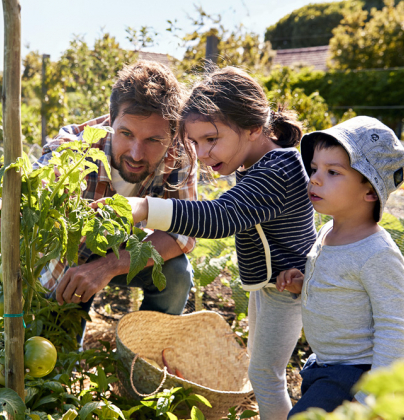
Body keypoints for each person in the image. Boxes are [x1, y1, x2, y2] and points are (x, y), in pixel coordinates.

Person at [109, 66, 318, 420]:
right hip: (271, 286)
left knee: (266, 377)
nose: (202, 153)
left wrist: (145, 208)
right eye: (194, 142)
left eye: (210, 139)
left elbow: (220, 217)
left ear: (254, 128)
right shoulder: (258, 162)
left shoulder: (278, 170)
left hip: (287, 289)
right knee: (264, 370)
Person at [0, 60, 198, 340]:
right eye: (126, 134)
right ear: (111, 121)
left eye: (153, 140)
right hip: (70, 260)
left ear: (172, 135)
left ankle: (145, 355)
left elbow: (182, 233)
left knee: (176, 273)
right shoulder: (74, 149)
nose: (136, 153)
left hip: (125, 250)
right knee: (56, 349)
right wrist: (14, 211)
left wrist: (108, 266)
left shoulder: (179, 155)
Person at [276, 116, 404, 417]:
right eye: (314, 169)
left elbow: (392, 331)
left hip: (354, 375)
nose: (315, 179)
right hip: (323, 365)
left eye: (333, 172)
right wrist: (304, 283)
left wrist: (369, 398)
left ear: (370, 191)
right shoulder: (328, 232)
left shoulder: (378, 254)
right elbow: (339, 285)